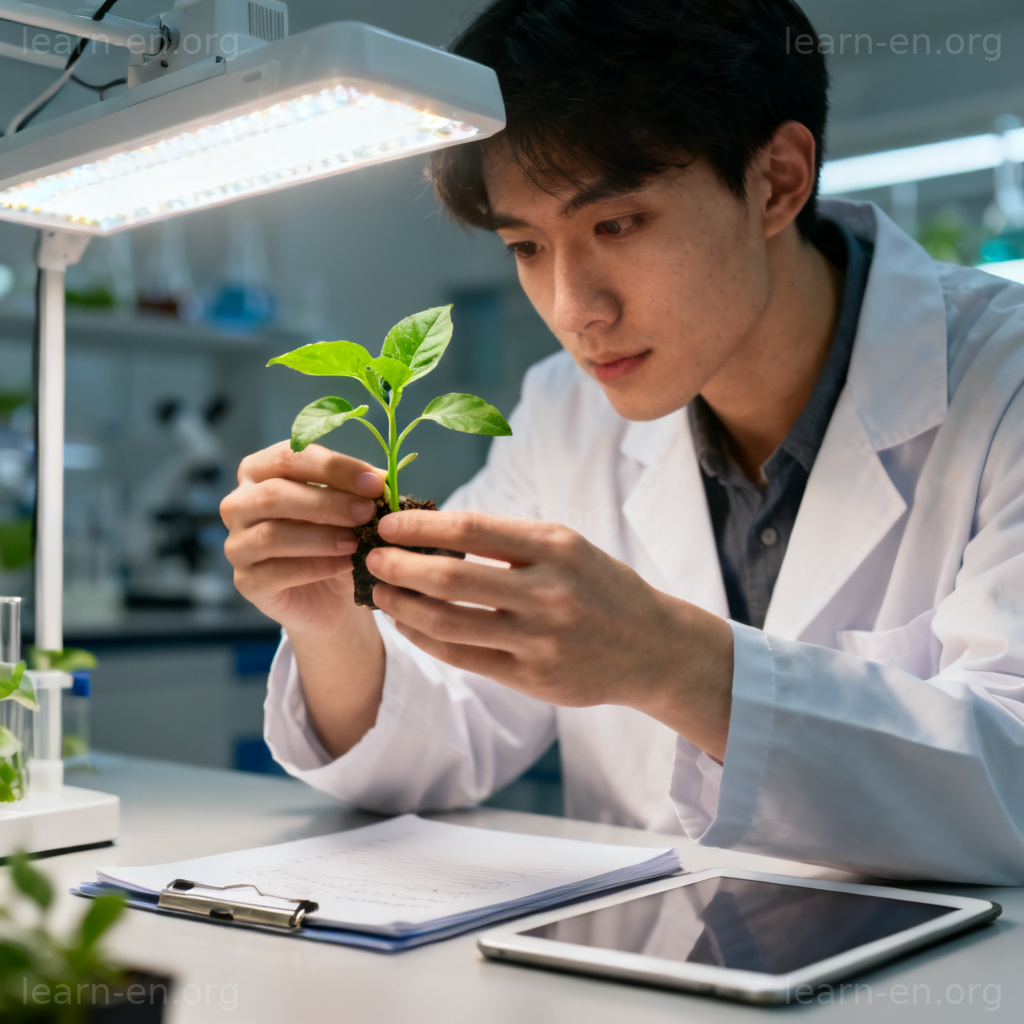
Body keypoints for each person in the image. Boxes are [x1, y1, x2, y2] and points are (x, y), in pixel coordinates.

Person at [220, 0, 1024, 884]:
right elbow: (436, 747)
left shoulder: (1002, 382)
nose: (574, 310)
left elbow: (1011, 778)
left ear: (778, 181)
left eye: (617, 225)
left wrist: (670, 663)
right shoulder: (566, 409)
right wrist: (333, 620)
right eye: (526, 245)